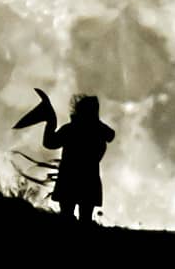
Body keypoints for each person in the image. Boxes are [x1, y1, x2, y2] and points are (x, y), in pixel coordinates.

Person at [13, 89, 115, 223]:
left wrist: (50, 122)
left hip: (71, 179)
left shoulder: (72, 129)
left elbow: (50, 142)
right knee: (81, 218)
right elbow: (110, 135)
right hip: (85, 180)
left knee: (69, 217)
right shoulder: (92, 131)